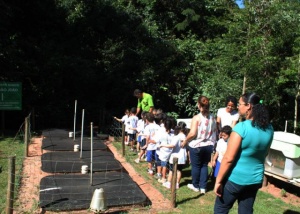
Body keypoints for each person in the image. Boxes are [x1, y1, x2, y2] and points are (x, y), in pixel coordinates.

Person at [214, 92, 274, 214]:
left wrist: (218, 181)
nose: (237, 107)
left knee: (221, 209)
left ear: (248, 106)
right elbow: (265, 153)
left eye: (240, 104)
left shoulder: (241, 128)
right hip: (255, 179)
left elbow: (228, 158)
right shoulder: (269, 128)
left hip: (235, 179)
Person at [181, 95, 217, 194]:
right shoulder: (213, 117)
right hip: (209, 145)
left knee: (196, 166)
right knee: (204, 165)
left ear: (198, 105)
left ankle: (195, 185)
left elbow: (192, 133)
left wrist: (185, 141)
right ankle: (203, 187)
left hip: (197, 145)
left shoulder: (197, 118)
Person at [163, 121, 188, 189]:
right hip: (182, 156)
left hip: (175, 155)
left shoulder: (177, 137)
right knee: (179, 170)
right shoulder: (185, 137)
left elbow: (172, 145)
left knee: (171, 170)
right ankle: (177, 184)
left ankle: (168, 183)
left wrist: (163, 145)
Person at [154, 117, 174, 183]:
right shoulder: (173, 133)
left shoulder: (162, 133)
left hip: (163, 151)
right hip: (171, 151)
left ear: (164, 125)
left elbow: (157, 141)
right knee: (168, 164)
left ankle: (163, 178)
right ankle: (167, 175)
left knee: (164, 165)